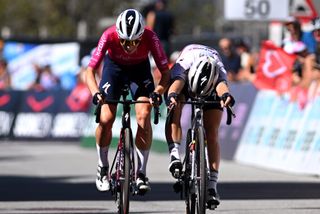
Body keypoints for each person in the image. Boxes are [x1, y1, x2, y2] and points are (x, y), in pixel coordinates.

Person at [85, 9, 170, 195]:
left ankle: (141, 173)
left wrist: (158, 92)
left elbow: (165, 73)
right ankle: (102, 166)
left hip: (140, 71)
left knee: (144, 115)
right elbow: (89, 71)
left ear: (141, 36)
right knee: (106, 118)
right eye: (124, 41)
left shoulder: (151, 36)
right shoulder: (108, 35)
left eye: (134, 42)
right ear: (118, 34)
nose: (129, 46)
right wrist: (95, 92)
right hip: (113, 70)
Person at [165, 44, 235, 208]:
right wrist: (172, 96)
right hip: (186, 81)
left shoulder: (219, 70)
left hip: (209, 84)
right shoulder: (183, 66)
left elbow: (222, 86)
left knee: (212, 132)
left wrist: (225, 96)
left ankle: (212, 184)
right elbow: (175, 86)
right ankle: (174, 154)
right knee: (175, 106)